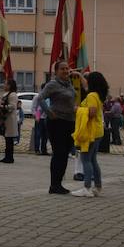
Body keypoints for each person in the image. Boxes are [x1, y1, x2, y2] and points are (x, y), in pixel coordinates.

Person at [37, 60, 77, 195]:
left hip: (70, 122)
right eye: (62, 69)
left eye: (67, 68)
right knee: (58, 153)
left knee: (65, 154)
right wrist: (48, 112)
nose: (66, 71)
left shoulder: (70, 84)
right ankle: (54, 185)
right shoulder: (52, 84)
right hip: (56, 122)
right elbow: (40, 98)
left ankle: (59, 184)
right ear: (56, 71)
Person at [71, 71, 107, 197]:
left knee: (86, 159)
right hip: (98, 131)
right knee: (93, 160)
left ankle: (87, 188)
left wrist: (77, 109)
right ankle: (97, 187)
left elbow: (91, 112)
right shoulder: (98, 94)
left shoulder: (91, 96)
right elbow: (86, 86)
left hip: (91, 132)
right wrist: (80, 76)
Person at [0, 78, 20, 163]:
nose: (4, 85)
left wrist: (2, 107)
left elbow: (13, 106)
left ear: (10, 86)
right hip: (5, 119)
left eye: (6, 84)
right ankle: (7, 156)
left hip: (10, 119)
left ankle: (10, 157)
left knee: (9, 139)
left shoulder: (13, 95)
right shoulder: (6, 94)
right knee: (7, 139)